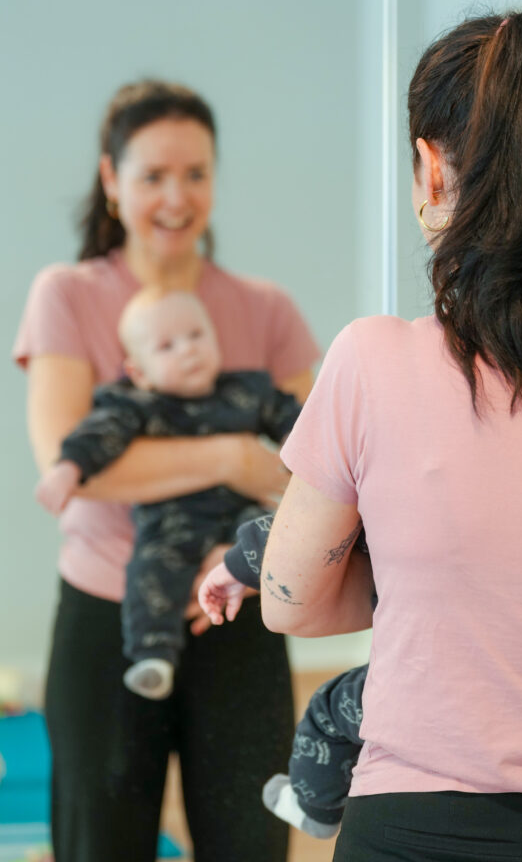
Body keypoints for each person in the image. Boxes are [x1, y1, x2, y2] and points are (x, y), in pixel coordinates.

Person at [258, 13, 522, 861]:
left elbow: (291, 599)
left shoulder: (371, 361)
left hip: (420, 832)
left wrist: (442, 584)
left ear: (430, 170)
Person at [14, 80, 319, 862]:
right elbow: (71, 463)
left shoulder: (266, 310)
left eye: (195, 173)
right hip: (107, 615)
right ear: (111, 181)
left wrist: (244, 549)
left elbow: (317, 473)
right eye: (152, 175)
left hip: (239, 613)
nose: (175, 197)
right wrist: (233, 457)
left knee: (250, 845)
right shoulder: (69, 295)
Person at [36, 287, 302, 701]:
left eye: (197, 335)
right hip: (171, 524)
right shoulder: (137, 405)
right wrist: (68, 467)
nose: (188, 350)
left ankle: (240, 571)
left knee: (269, 533)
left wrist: (296, 444)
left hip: (239, 512)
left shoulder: (247, 391)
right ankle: (153, 656)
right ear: (138, 371)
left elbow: (296, 420)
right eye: (166, 346)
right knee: (150, 571)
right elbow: (98, 434)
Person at [199, 512, 371, 838]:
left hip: (424, 681)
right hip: (493, 670)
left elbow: (313, 524)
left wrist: (235, 566)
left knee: (328, 710)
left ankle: (316, 810)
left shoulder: (395, 479)